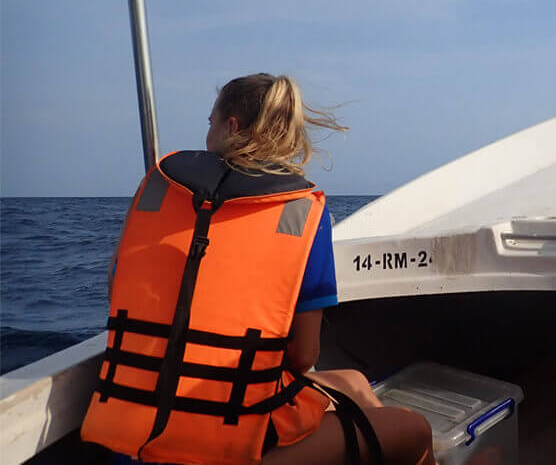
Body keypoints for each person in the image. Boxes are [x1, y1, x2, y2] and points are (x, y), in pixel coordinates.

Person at [81, 73, 436, 465]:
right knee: (415, 430)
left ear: (231, 125)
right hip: (229, 450)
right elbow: (303, 356)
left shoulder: (155, 191)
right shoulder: (299, 213)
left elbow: (120, 291)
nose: (208, 130)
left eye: (210, 121)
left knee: (352, 382)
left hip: (129, 437)